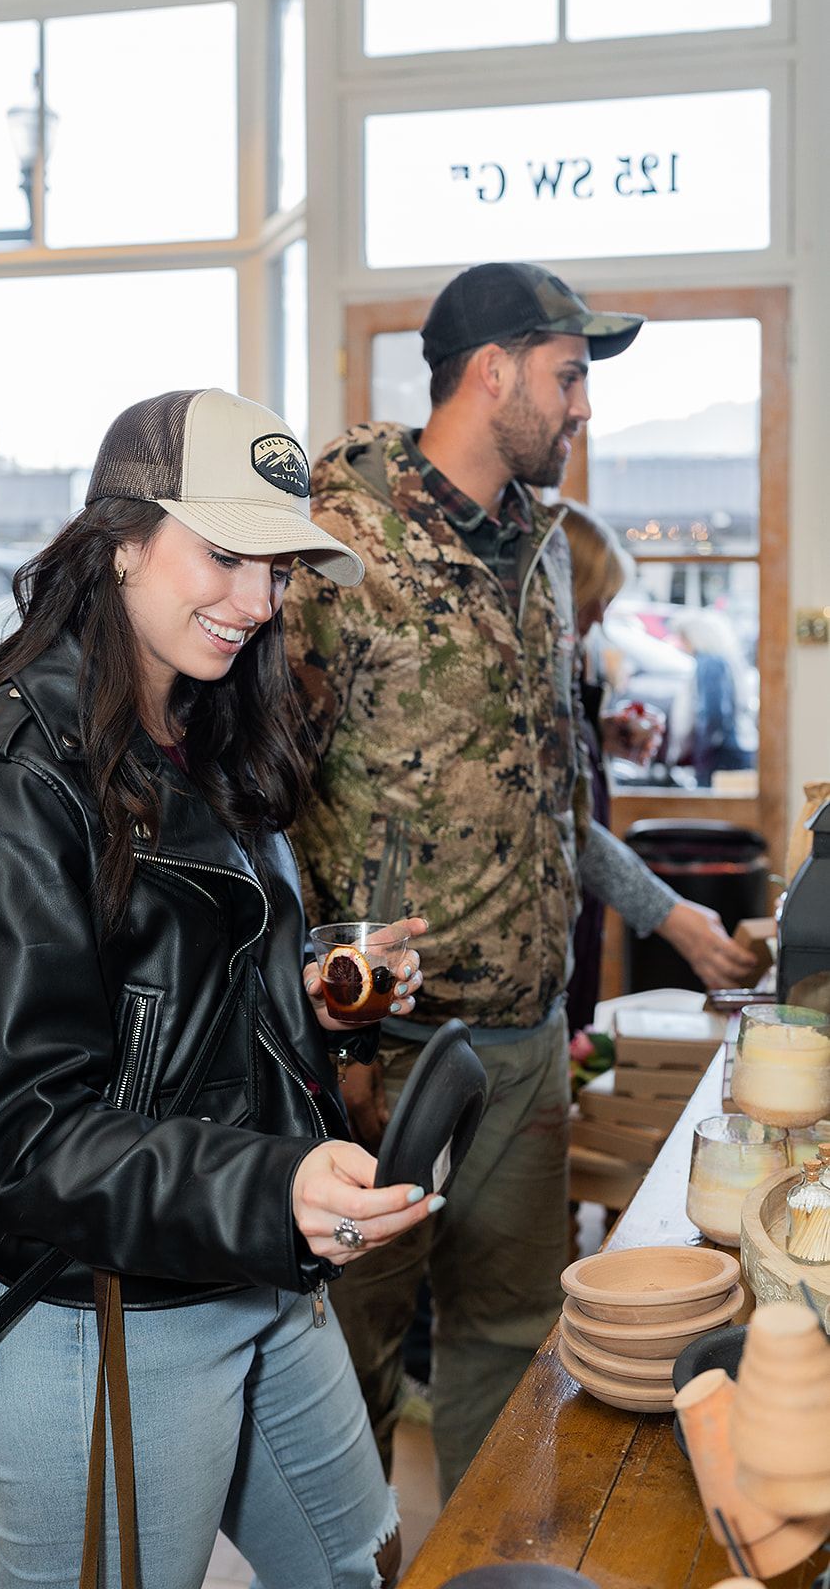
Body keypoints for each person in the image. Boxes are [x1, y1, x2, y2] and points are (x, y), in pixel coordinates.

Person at [0, 388, 439, 1589]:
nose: (258, 602)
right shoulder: (14, 778)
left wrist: (313, 997)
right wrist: (275, 1181)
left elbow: (167, 1005)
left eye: (279, 567)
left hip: (250, 1269)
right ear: (122, 538)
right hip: (102, 1319)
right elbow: (31, 1139)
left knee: (354, 1565)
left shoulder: (196, 730)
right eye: (225, 553)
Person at [284, 261, 755, 1498]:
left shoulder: (541, 558)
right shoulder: (336, 539)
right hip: (380, 1053)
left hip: (522, 1038)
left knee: (505, 1347)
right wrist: (338, 1029)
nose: (581, 408)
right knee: (348, 1363)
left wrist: (674, 916)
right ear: (488, 372)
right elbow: (258, 799)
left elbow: (551, 801)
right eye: (567, 376)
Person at [559, 501, 755, 1033]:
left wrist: (605, 732)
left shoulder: (575, 654)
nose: (600, 616)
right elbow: (558, 818)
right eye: (593, 600)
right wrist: (668, 914)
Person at [675, 608, 757, 787]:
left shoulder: (710, 663)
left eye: (683, 638)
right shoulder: (723, 660)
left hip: (721, 753)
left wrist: (702, 751)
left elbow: (714, 713)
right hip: (734, 747)